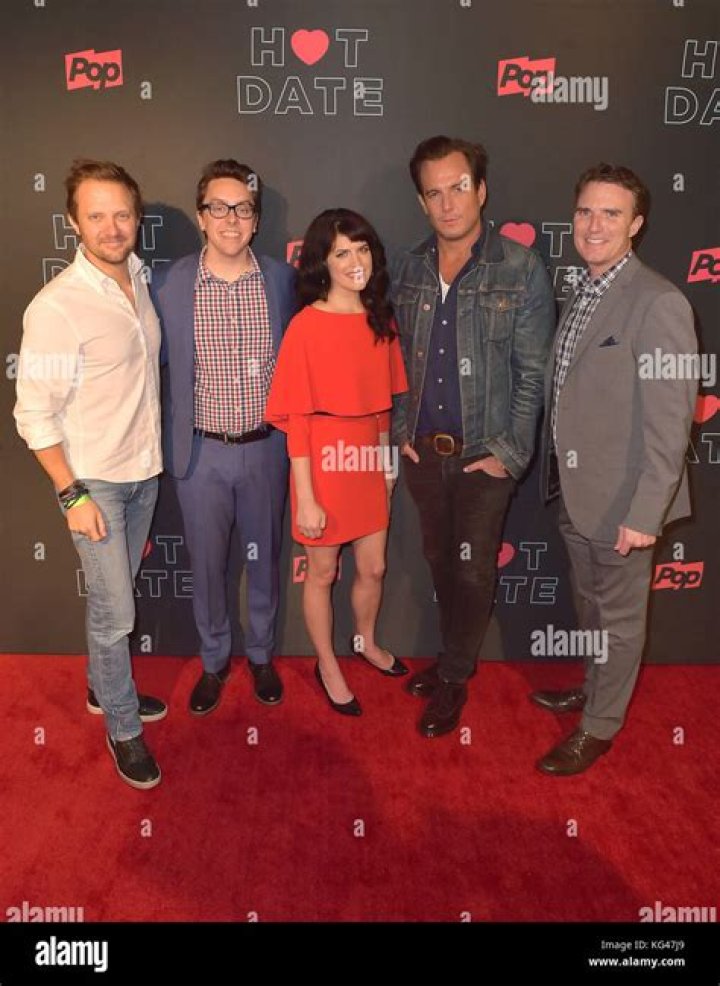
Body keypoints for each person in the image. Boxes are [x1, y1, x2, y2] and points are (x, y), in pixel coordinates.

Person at [532, 163, 697, 775]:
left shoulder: (659, 303)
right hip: (577, 492)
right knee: (592, 609)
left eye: (611, 213)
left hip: (625, 502)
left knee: (620, 620)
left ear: (636, 224)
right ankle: (595, 688)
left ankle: (600, 727)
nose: (594, 224)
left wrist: (645, 514)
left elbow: (670, 423)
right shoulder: (585, 289)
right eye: (585, 211)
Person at [391, 135, 556, 739]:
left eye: (458, 187)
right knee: (439, 562)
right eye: (434, 193)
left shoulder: (520, 267)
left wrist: (509, 455)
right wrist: (401, 429)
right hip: (423, 454)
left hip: (485, 457)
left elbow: (533, 373)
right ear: (421, 202)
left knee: (472, 571)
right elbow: (392, 357)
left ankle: (455, 676)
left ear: (480, 190)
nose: (448, 203)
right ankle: (449, 659)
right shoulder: (409, 268)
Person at [14, 159, 165, 790]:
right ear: (73, 222)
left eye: (121, 214)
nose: (111, 227)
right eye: (96, 215)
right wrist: (72, 493)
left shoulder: (141, 278)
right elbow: (32, 413)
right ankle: (122, 727)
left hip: (144, 474)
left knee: (113, 599)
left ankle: (103, 687)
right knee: (116, 614)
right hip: (94, 483)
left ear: (137, 218)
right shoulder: (57, 307)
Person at [153, 160, 296, 717]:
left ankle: (260, 654)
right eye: (219, 207)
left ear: (256, 220)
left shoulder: (282, 281)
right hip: (200, 454)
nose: (231, 219)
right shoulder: (169, 283)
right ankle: (213, 660)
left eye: (242, 208)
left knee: (265, 561)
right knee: (207, 567)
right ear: (201, 215)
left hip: (266, 450)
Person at [265, 209, 409, 716]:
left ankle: (365, 641)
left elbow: (383, 406)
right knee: (322, 572)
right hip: (322, 462)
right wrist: (305, 497)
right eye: (341, 252)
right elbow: (297, 420)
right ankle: (326, 664)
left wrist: (386, 466)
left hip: (368, 459)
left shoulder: (380, 319)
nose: (355, 261)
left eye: (362, 249)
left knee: (374, 566)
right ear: (322, 263)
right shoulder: (305, 326)